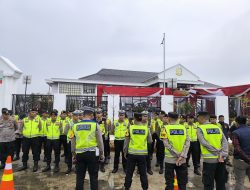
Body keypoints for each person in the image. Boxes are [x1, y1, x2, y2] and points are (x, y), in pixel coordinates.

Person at [71, 107, 104, 190]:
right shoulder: (95, 125)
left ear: (83, 115)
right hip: (92, 154)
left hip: (80, 155)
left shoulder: (75, 126)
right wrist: (101, 154)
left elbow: (72, 142)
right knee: (93, 177)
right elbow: (100, 142)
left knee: (79, 177)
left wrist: (74, 155)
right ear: (91, 115)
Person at [197, 111, 228, 190]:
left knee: (208, 183)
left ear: (202, 118)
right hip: (221, 159)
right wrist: (222, 153)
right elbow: (224, 141)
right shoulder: (217, 127)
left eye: (198, 117)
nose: (197, 119)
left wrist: (216, 152)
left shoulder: (200, 128)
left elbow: (204, 143)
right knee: (221, 182)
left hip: (209, 160)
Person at [161, 112, 190, 190]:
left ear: (169, 118)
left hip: (170, 159)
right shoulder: (184, 128)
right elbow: (187, 143)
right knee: (182, 183)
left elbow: (166, 144)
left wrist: (177, 154)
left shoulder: (165, 128)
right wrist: (181, 155)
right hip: (182, 160)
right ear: (177, 119)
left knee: (169, 182)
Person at [124, 111, 152, 190]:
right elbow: (150, 141)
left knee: (129, 173)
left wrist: (125, 152)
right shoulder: (146, 129)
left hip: (132, 154)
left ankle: (127, 188)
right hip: (142, 155)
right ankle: (145, 188)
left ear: (135, 119)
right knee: (143, 173)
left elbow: (126, 141)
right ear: (141, 119)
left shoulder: (130, 128)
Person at [232, 116, 250, 190]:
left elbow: (237, 148)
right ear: (246, 122)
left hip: (240, 160)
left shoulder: (235, 132)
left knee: (240, 182)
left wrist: (247, 158)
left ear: (236, 123)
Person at [65, 110, 80, 174]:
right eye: (76, 115)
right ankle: (69, 167)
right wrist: (70, 135)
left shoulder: (80, 122)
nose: (77, 117)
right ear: (73, 116)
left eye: (78, 115)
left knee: (77, 154)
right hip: (70, 140)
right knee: (69, 154)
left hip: (78, 141)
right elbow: (65, 132)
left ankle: (77, 167)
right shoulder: (69, 122)